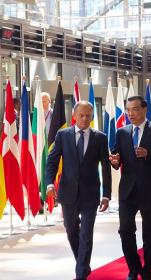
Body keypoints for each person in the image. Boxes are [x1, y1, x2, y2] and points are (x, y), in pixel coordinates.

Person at [46, 101, 111, 280]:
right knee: (71, 230)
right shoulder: (63, 135)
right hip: (68, 192)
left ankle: (80, 273)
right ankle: (83, 263)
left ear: (92, 116)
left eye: (88, 116)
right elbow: (52, 161)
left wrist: (106, 194)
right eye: (81, 115)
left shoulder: (100, 137)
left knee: (86, 233)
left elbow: (106, 167)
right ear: (74, 115)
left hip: (91, 194)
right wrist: (50, 184)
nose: (85, 119)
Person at [109, 96, 151, 280]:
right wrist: (115, 161)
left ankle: (147, 269)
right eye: (128, 110)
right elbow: (116, 156)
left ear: (144, 110)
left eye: (134, 109)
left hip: (150, 191)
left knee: (150, 234)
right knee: (125, 230)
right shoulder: (121, 132)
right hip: (128, 191)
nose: (130, 114)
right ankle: (134, 267)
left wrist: (148, 153)